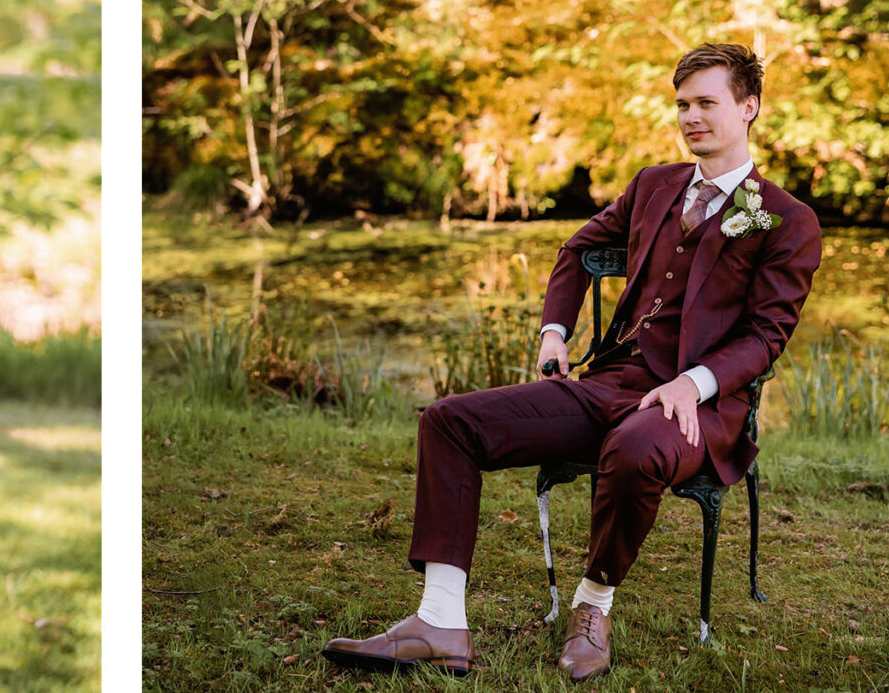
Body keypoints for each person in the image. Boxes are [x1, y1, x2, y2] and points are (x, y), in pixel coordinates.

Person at [322, 43, 822, 680]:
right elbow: (577, 247)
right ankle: (440, 620)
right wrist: (554, 331)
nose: (691, 117)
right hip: (607, 383)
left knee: (638, 448)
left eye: (707, 103)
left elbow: (765, 336)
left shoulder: (786, 218)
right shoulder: (653, 185)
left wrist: (692, 385)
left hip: (700, 409)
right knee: (448, 421)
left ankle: (593, 605)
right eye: (682, 105)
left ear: (749, 107)